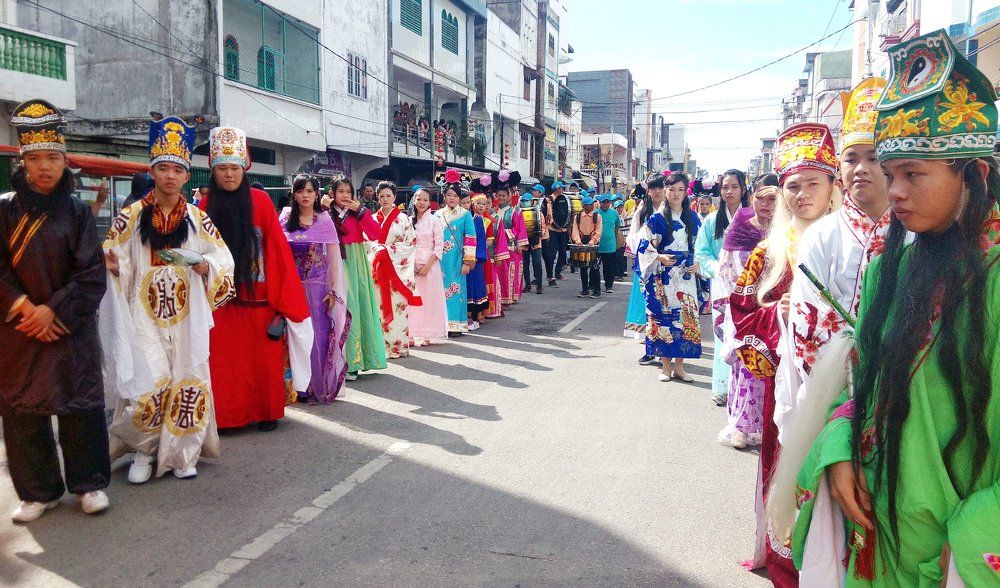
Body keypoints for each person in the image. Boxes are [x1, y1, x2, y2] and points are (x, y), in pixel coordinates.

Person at [786, 30, 1000, 586]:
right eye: (892, 172)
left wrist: (979, 536)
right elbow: (862, 387)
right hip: (877, 532)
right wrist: (837, 451)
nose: (894, 190)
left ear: (973, 174)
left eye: (914, 174)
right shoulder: (892, 268)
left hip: (957, 552)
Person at [730, 122, 841, 587]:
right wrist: (780, 314)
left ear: (832, 186)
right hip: (790, 380)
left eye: (812, 183)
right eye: (792, 186)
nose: (801, 195)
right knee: (786, 466)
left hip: (846, 385)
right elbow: (740, 308)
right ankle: (784, 560)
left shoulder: (858, 241)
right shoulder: (769, 250)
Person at [104, 115, 236, 481]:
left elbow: (223, 259)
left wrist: (206, 267)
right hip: (143, 315)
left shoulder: (198, 218)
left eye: (177, 169)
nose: (169, 176)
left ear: (185, 175)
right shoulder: (131, 215)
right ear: (153, 172)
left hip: (186, 317)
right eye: (162, 168)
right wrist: (115, 267)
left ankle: (182, 455)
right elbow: (114, 253)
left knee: (188, 379)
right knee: (148, 384)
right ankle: (143, 453)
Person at [0, 99, 110, 521]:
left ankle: (89, 483)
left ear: (65, 161)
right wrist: (25, 307)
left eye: (52, 158)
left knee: (79, 404)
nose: (43, 167)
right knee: (23, 409)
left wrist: (52, 313)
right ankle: (37, 491)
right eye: (34, 158)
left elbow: (90, 274)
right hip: (17, 328)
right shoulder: (5, 210)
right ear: (23, 162)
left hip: (69, 326)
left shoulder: (80, 212)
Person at [783, 77, 891, 433]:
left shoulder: (917, 230)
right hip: (835, 398)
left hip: (904, 392)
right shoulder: (820, 236)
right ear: (840, 171)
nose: (861, 168)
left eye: (873, 158)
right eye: (851, 158)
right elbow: (808, 324)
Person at [201, 127, 313, 431]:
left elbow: (276, 251)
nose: (228, 175)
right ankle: (227, 417)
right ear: (213, 171)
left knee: (262, 361)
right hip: (221, 300)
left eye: (234, 168)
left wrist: (283, 302)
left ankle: (266, 412)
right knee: (225, 363)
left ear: (244, 169)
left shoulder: (261, 202)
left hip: (261, 298)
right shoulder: (204, 206)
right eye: (222, 168)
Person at [717, 180, 777, 451]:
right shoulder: (739, 228)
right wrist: (743, 303)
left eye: (772, 200)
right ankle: (740, 427)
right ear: (752, 198)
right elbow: (726, 270)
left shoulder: (785, 233)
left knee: (772, 371)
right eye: (761, 199)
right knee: (745, 369)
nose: (766, 205)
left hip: (774, 313)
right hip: (744, 312)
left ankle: (768, 427)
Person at [279, 174, 349, 402]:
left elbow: (334, 259)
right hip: (292, 286)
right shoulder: (286, 217)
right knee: (293, 335)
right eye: (300, 191)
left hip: (318, 287)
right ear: (294, 194)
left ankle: (314, 385)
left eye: (310, 191)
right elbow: (278, 254)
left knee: (318, 335)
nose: (305, 195)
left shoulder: (324, 219)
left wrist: (333, 290)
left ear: (317, 194)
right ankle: (293, 386)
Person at [636, 172, 702, 383]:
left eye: (680, 189)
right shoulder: (656, 219)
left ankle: (680, 367)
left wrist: (696, 263)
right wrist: (659, 256)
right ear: (665, 191)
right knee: (664, 319)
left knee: (685, 320)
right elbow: (643, 246)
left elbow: (702, 247)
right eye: (671, 189)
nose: (676, 194)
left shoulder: (693, 218)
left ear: (686, 192)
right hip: (662, 275)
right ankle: (665, 367)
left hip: (685, 276)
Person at [695, 170, 750, 406]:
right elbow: (702, 252)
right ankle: (721, 386)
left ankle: (744, 389)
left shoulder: (752, 217)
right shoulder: (711, 220)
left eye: (734, 187)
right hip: (720, 283)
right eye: (725, 187)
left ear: (743, 190)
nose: (729, 191)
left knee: (745, 334)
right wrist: (720, 269)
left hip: (748, 285)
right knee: (721, 333)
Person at [329, 175, 387, 376]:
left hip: (356, 263)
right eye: (340, 191)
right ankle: (339, 362)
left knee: (356, 307)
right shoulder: (326, 213)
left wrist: (359, 211)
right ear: (332, 193)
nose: (345, 196)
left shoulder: (359, 212)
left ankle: (356, 362)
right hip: (334, 260)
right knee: (338, 308)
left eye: (348, 192)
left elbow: (375, 234)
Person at [371, 181, 421, 358]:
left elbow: (410, 244)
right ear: (377, 198)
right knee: (378, 307)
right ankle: (380, 347)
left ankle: (398, 346)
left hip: (397, 271)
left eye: (388, 196)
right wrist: (377, 250)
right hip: (377, 269)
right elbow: (366, 243)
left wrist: (386, 250)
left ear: (394, 197)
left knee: (398, 308)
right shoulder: (371, 219)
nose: (385, 199)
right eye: (381, 196)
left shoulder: (403, 219)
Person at [624, 179, 664, 356]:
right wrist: (647, 245)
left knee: (665, 302)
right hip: (646, 262)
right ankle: (649, 339)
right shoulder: (642, 211)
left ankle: (664, 339)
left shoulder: (671, 209)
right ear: (649, 191)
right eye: (653, 188)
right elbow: (632, 237)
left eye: (660, 188)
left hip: (666, 262)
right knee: (645, 299)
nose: (657, 191)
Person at [435, 172, 478, 334]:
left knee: (455, 290)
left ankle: (456, 326)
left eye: (454, 195)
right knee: (439, 290)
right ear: (444, 197)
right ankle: (442, 324)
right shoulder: (438, 214)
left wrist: (468, 262)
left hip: (457, 259)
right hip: (440, 259)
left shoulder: (466, 214)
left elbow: (471, 238)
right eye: (448, 195)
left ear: (460, 198)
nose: (451, 198)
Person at [407, 187, 448, 345]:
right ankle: (410, 332)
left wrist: (427, 266)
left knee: (429, 301)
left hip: (430, 267)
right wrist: (410, 264)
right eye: (419, 199)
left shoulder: (435, 221)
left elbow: (439, 246)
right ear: (414, 200)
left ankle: (427, 333)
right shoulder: (408, 220)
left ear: (429, 201)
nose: (422, 202)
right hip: (410, 266)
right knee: (411, 301)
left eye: (425, 199)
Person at [494, 173, 527, 305]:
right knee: (500, 272)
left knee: (510, 273)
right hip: (497, 246)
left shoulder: (515, 211)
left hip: (511, 246)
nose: (501, 198)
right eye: (499, 196)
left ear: (509, 196)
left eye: (504, 196)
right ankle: (500, 296)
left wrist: (520, 243)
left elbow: (521, 228)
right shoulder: (494, 211)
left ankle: (510, 296)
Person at [475, 193, 508, 319]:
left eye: (487, 203)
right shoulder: (470, 217)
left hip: (488, 255)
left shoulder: (494, 220)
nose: (484, 206)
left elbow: (498, 239)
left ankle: (490, 310)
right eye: (481, 203)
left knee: (491, 282)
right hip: (473, 255)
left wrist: (499, 255)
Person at [466, 194, 490, 330]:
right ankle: (469, 313)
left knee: (477, 284)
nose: (480, 206)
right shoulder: (467, 217)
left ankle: (478, 312)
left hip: (475, 258)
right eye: (478, 203)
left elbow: (481, 239)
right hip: (464, 257)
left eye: (483, 204)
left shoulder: (478, 220)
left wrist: (477, 257)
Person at [571, 194, 603, 298]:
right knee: (583, 267)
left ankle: (597, 290)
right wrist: (577, 240)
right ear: (584, 206)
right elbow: (575, 230)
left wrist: (593, 241)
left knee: (594, 266)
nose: (591, 206)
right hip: (582, 242)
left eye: (592, 204)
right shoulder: (578, 216)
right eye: (588, 205)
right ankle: (585, 289)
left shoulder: (597, 216)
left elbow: (599, 231)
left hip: (593, 243)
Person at [547, 180, 572, 284]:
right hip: (553, 230)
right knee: (552, 253)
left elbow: (567, 211)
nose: (563, 190)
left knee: (562, 252)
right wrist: (554, 224)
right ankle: (550, 275)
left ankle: (557, 273)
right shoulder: (549, 200)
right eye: (562, 188)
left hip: (563, 229)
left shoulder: (565, 198)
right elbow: (549, 214)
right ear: (558, 188)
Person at [520, 192, 545, 294]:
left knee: (537, 263)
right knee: (525, 264)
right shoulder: (519, 212)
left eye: (526, 201)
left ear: (531, 201)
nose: (525, 203)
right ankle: (528, 285)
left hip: (536, 241)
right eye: (523, 201)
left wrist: (539, 235)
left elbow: (542, 226)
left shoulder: (538, 212)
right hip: (524, 242)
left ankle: (539, 285)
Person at [595, 194, 620, 293]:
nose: (605, 204)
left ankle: (609, 285)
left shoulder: (614, 213)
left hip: (610, 245)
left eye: (607, 202)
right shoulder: (596, 213)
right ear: (600, 203)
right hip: (597, 245)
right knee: (594, 267)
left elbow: (617, 225)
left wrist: (614, 236)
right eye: (603, 202)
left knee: (609, 267)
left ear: (610, 203)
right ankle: (593, 285)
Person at [613, 198, 628, 280]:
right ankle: (616, 273)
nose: (620, 209)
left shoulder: (625, 217)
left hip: (623, 241)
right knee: (615, 258)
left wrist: (626, 240)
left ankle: (620, 274)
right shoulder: (614, 217)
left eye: (621, 207)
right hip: (615, 240)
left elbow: (627, 229)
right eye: (618, 207)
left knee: (621, 258)